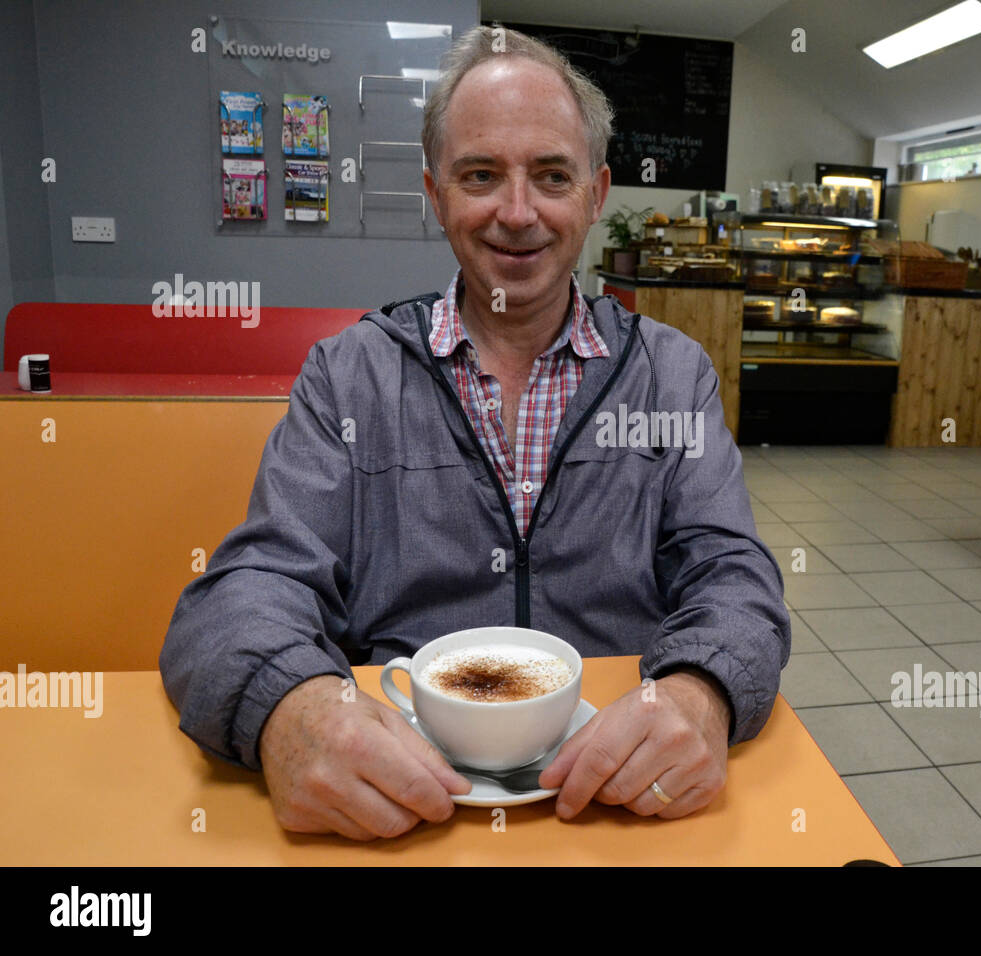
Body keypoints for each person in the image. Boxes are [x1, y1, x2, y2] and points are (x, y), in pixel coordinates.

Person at [159, 25, 790, 841]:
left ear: (597, 194)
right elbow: (244, 592)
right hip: (396, 816)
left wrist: (702, 691)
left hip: (619, 814)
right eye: (481, 175)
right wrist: (291, 709)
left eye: (551, 176)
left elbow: (733, 575)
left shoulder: (674, 375)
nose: (517, 213)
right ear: (436, 194)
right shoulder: (349, 376)